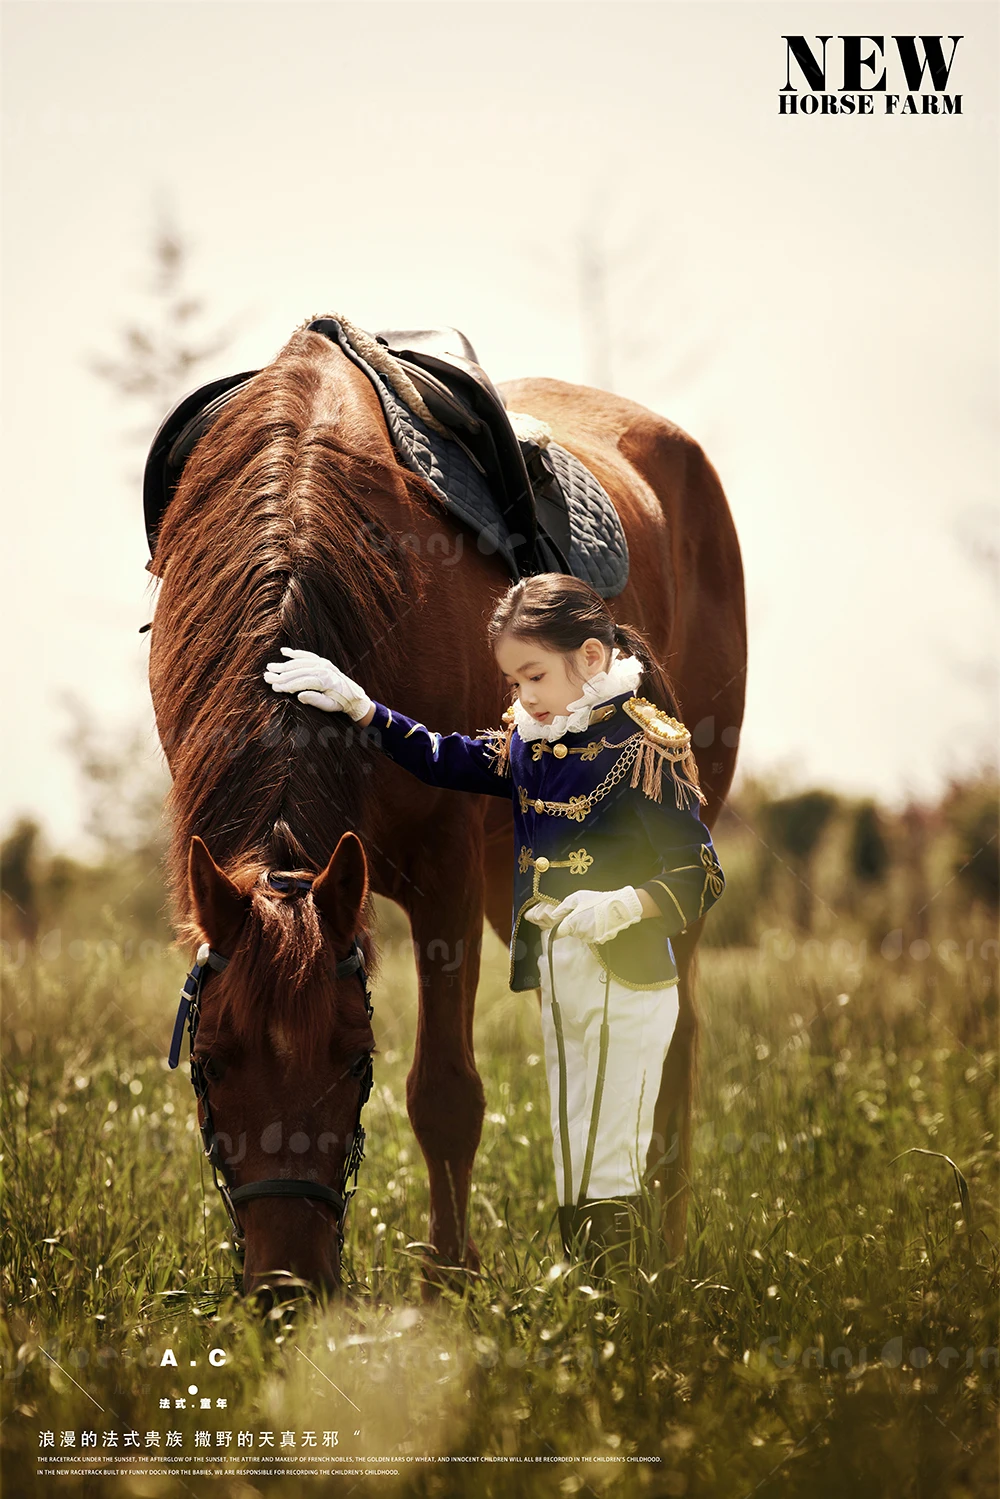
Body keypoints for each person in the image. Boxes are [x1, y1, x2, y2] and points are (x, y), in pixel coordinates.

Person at [263, 574, 726, 1275]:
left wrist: (627, 904)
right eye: (513, 682)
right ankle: (596, 1289)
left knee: (609, 1151)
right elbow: (443, 756)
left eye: (534, 676)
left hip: (628, 973)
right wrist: (363, 708)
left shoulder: (644, 749)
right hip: (561, 972)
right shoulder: (534, 744)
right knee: (575, 1148)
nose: (523, 696)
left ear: (591, 658)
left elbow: (701, 872)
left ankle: (625, 1292)